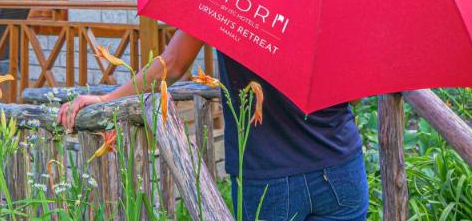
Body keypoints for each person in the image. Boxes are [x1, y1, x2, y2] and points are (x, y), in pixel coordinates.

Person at [57, 30, 368, 221]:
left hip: (269, 175)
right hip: (341, 165)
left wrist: (107, 99)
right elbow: (354, 91)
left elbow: (173, 63)